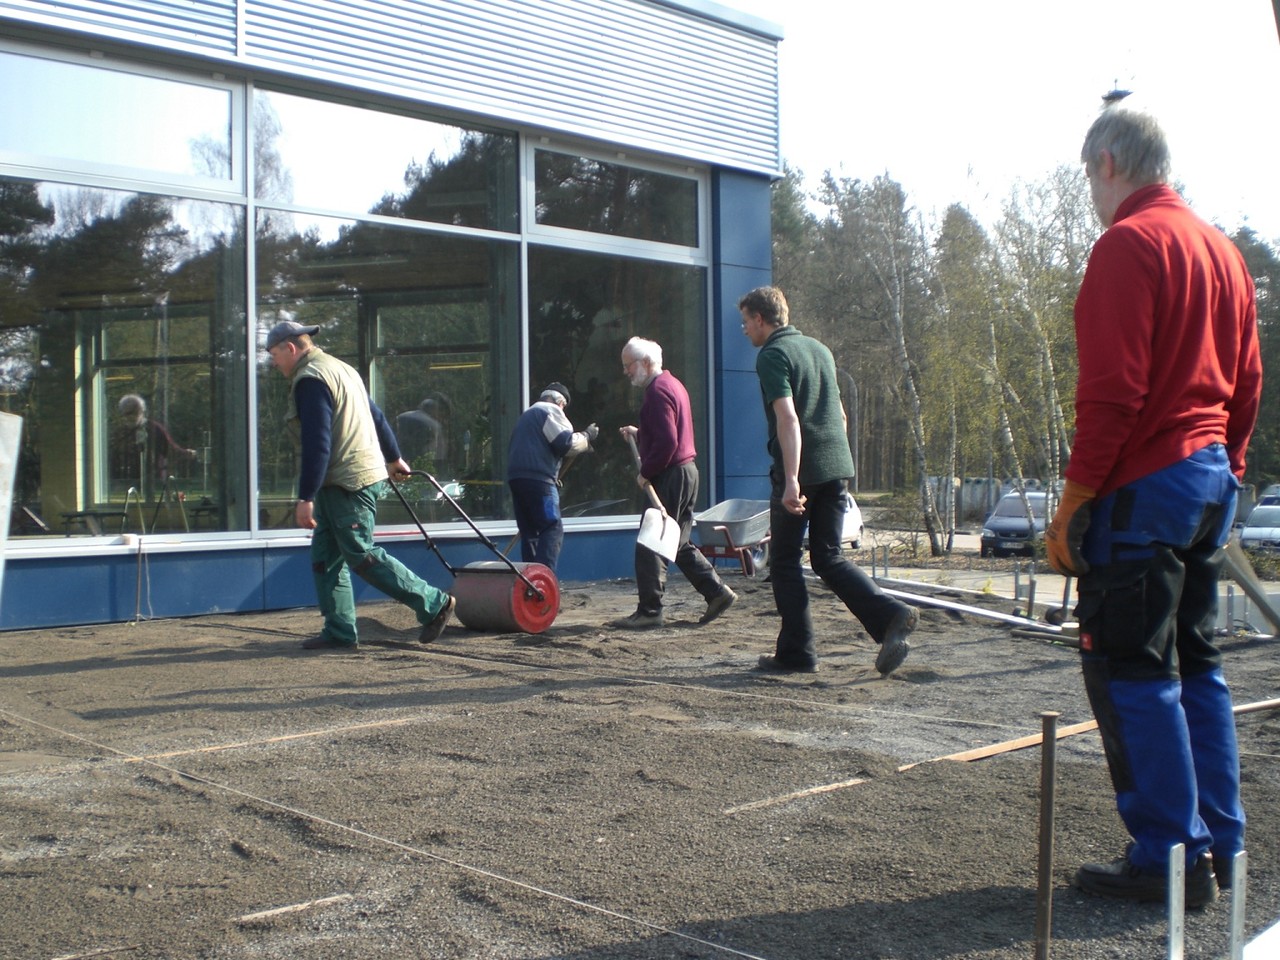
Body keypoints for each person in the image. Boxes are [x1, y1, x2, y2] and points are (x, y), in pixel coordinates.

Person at [1045, 98, 1261, 908]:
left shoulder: (1128, 246)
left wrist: (1074, 502)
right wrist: (1228, 468)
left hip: (1146, 480)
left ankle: (1170, 855)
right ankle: (1220, 843)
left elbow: (1111, 396)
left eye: (1087, 179)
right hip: (1207, 480)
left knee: (1131, 665)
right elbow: (1247, 383)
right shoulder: (1225, 253)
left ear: (1108, 163)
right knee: (1197, 661)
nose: (1091, 198)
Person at [738, 286, 917, 675]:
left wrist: (790, 480)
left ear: (761, 319)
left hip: (803, 472)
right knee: (827, 556)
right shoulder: (819, 350)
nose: (744, 329)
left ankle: (797, 653)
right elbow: (840, 415)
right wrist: (836, 464)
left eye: (746, 321)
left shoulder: (773, 355)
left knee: (784, 561)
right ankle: (891, 615)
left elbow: (788, 419)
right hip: (836, 467)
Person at [266, 319, 456, 651]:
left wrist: (305, 496)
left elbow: (318, 442)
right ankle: (339, 631)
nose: (273, 362)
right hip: (341, 478)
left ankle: (433, 602)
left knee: (360, 552)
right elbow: (376, 415)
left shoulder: (311, 379)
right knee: (325, 556)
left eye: (274, 354)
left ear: (291, 348)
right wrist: (394, 456)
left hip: (347, 480)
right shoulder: (342, 370)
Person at [610, 337, 736, 628]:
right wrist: (640, 434)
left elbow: (668, 441)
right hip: (686, 471)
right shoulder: (672, 385)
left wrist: (646, 471)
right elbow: (668, 432)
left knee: (651, 542)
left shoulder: (657, 392)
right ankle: (717, 592)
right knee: (676, 541)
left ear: (645, 363)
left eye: (628, 366)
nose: (627, 372)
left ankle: (650, 612)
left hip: (670, 474)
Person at [506, 382, 598, 572]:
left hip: (517, 480)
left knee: (530, 533)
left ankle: (529, 583)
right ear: (560, 403)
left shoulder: (526, 416)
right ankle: (544, 581)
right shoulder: (550, 411)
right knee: (551, 527)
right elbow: (565, 444)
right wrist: (586, 436)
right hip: (539, 482)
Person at [111, 393, 197, 499]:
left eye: (134, 412)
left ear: (142, 411)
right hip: (124, 483)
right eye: (126, 413)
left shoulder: (154, 429)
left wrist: (186, 454)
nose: (130, 417)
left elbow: (170, 450)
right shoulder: (120, 432)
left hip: (153, 482)